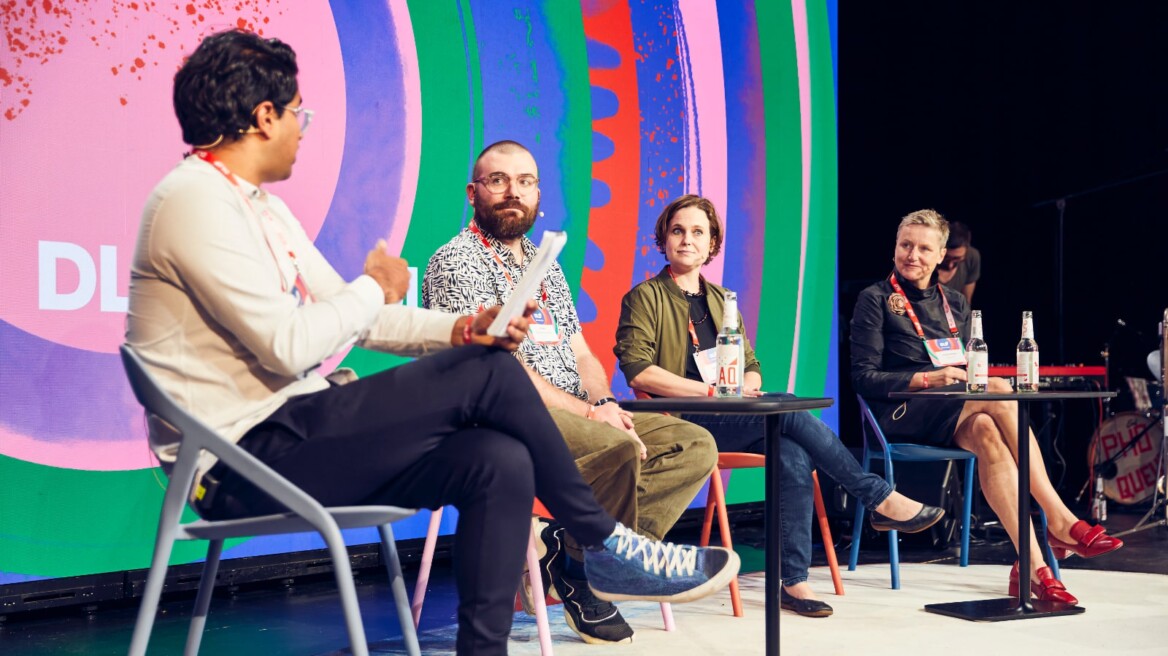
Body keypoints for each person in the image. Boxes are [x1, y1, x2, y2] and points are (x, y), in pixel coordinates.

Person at [126, 30, 738, 655]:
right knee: (490, 371)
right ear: (263, 118)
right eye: (296, 114)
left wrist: (460, 328)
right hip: (238, 459)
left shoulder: (259, 207)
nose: (302, 129)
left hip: (294, 437)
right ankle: (604, 545)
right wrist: (373, 287)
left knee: (499, 461)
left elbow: (362, 322)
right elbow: (290, 345)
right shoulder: (193, 202)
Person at [422, 141, 719, 644]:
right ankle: (592, 570)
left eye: (525, 182)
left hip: (572, 407)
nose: (512, 192)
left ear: (539, 194)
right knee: (618, 447)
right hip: (500, 415)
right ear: (473, 193)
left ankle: (574, 554)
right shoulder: (456, 261)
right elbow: (502, 369)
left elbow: (579, 350)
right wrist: (590, 414)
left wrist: (602, 403)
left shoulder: (545, 263)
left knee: (693, 445)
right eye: (498, 181)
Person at [612, 194, 945, 618]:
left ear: (712, 242)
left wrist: (744, 387)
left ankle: (795, 582)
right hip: (679, 419)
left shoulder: (720, 298)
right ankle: (874, 496)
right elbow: (639, 372)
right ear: (664, 238)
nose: (687, 240)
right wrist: (713, 394)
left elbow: (750, 365)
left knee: (790, 450)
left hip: (728, 412)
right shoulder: (645, 297)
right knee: (784, 408)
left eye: (698, 232)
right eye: (678, 231)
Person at [850, 208, 1124, 605]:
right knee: (995, 390)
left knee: (988, 434)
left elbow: (966, 366)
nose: (913, 255)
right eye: (905, 245)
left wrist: (960, 381)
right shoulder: (874, 299)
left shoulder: (956, 303)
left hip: (953, 409)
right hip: (899, 410)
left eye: (924, 248)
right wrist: (930, 378)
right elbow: (863, 378)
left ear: (942, 253)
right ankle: (1060, 519)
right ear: (894, 246)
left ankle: (1031, 566)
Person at [936, 220, 980, 304]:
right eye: (946, 257)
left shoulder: (972, 257)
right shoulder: (929, 259)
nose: (950, 265)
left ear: (967, 249)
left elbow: (966, 301)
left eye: (957, 258)